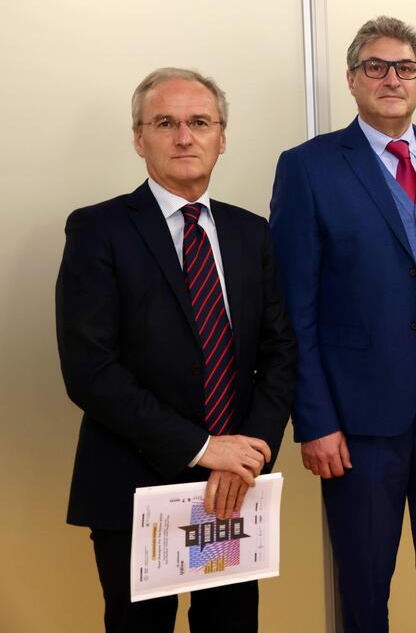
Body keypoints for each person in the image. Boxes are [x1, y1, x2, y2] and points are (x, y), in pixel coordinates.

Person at [269, 16, 416, 632]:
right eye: (376, 66)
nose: (391, 78)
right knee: (366, 582)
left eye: (404, 67)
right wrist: (315, 421)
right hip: (357, 423)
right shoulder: (309, 168)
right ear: (352, 80)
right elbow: (296, 311)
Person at [56, 67, 298, 632]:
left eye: (199, 122)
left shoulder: (250, 232)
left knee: (232, 625)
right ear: (139, 139)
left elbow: (280, 353)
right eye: (165, 123)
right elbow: (90, 370)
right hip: (136, 489)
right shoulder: (98, 230)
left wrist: (251, 451)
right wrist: (202, 448)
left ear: (222, 137)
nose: (184, 137)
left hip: (234, 491)